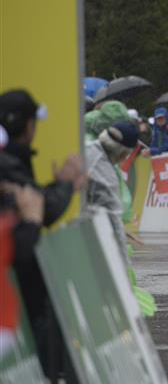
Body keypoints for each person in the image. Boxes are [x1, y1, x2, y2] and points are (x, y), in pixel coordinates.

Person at [0, 89, 85, 381]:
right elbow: (37, 214)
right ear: (25, 125)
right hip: (19, 298)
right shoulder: (7, 163)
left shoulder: (14, 162)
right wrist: (65, 186)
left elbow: (34, 202)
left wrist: (57, 188)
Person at [83, 120, 139, 266]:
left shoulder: (82, 145)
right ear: (122, 153)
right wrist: (124, 267)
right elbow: (114, 221)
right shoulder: (106, 175)